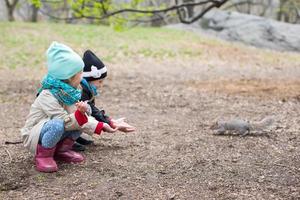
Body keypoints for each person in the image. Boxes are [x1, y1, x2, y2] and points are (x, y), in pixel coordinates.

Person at [21, 42, 116, 173]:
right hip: (36, 137)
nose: (83, 77)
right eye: (80, 73)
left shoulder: (70, 93)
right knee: (59, 124)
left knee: (79, 119)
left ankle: (61, 150)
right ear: (70, 76)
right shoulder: (47, 95)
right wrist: (80, 116)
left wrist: (97, 123)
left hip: (58, 128)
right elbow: (63, 119)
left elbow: (75, 118)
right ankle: (43, 155)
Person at [72, 50, 135, 151]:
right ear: (89, 79)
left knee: (84, 115)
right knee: (81, 116)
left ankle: (74, 137)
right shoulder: (81, 91)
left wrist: (109, 120)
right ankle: (68, 141)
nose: (101, 85)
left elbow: (92, 110)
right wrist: (109, 121)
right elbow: (92, 110)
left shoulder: (88, 89)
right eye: (100, 81)